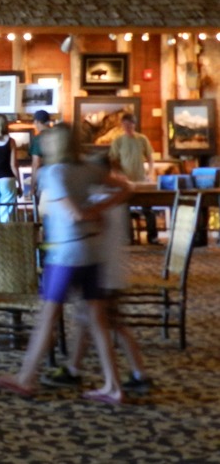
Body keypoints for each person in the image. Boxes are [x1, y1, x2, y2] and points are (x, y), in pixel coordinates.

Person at [0, 123, 132, 405]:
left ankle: (25, 379)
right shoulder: (90, 168)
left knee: (46, 319)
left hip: (66, 254)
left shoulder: (53, 172)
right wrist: (99, 210)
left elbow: (74, 214)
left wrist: (89, 212)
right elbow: (126, 188)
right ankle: (113, 385)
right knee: (98, 322)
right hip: (92, 252)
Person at [40, 152, 152, 395]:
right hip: (107, 269)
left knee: (111, 324)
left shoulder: (102, 201)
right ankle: (74, 368)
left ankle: (137, 373)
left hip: (104, 270)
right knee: (88, 320)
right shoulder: (110, 200)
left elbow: (84, 222)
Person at [108, 112, 157, 244]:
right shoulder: (118, 141)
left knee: (148, 209)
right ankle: (127, 238)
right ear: (122, 125)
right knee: (124, 210)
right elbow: (113, 162)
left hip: (141, 180)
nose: (128, 127)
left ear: (134, 125)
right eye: (125, 124)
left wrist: (150, 173)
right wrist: (119, 176)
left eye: (130, 124)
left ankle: (153, 237)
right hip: (126, 182)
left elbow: (150, 158)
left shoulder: (142, 139)